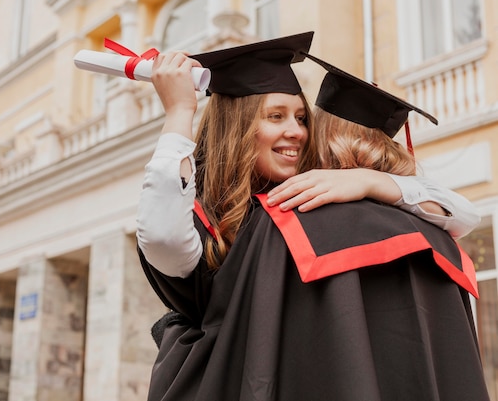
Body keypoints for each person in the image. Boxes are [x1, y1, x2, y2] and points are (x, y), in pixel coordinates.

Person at [136, 34, 486, 400]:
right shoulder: (210, 219)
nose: (297, 132)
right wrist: (179, 113)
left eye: (302, 118)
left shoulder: (301, 207)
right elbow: (161, 236)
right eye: (276, 116)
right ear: (236, 127)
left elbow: (462, 214)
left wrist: (370, 181)